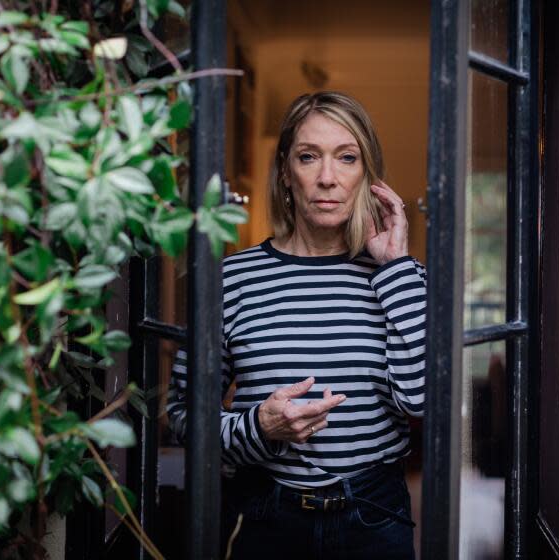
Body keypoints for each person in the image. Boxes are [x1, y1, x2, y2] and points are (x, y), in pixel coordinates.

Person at [168, 91, 427, 559]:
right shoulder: (230, 279)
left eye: (347, 158)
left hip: (373, 514)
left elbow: (421, 398)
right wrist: (260, 427)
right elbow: (183, 415)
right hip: (264, 514)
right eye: (309, 157)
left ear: (367, 175)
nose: (327, 178)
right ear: (286, 172)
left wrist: (395, 268)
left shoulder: (402, 278)